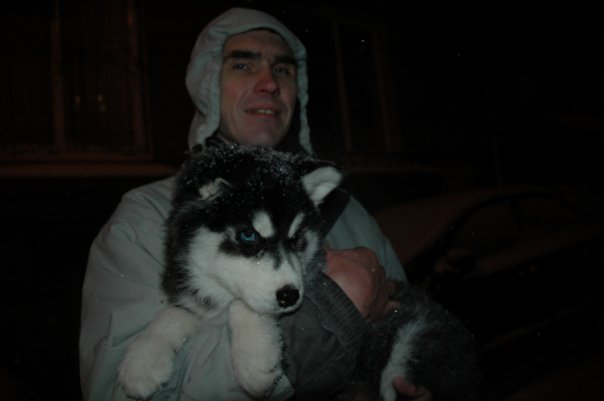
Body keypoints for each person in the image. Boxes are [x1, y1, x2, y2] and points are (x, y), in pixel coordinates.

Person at [79, 7, 430, 401]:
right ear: (208, 84)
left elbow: (408, 313)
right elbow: (120, 393)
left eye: (282, 70)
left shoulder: (346, 209)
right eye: (243, 65)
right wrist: (324, 321)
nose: (269, 83)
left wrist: (420, 376)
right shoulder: (145, 218)